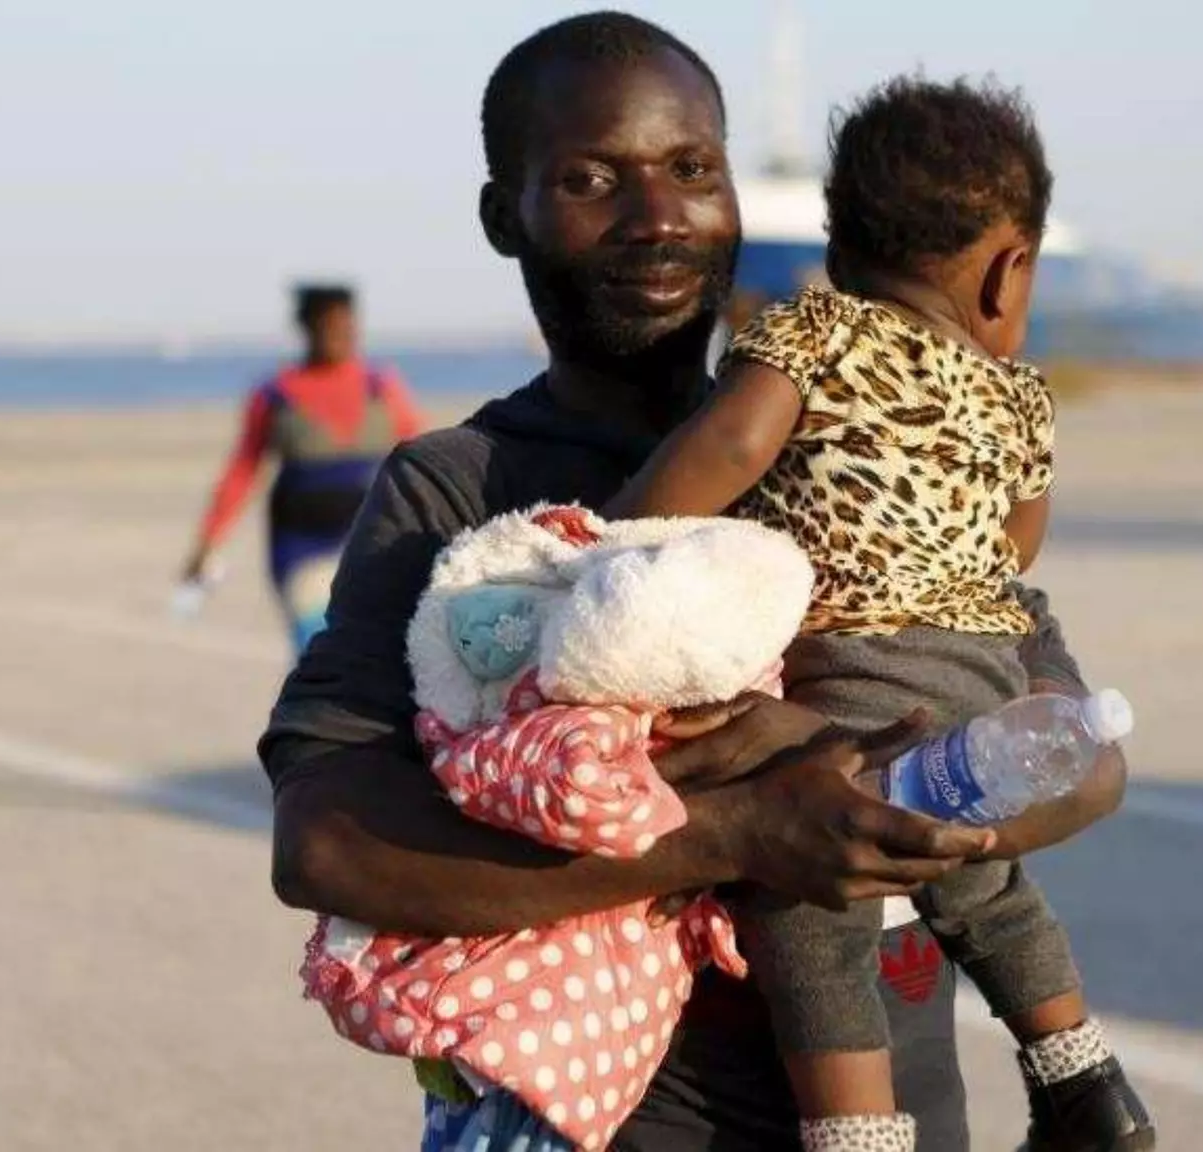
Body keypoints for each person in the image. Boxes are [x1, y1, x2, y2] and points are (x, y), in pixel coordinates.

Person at [259, 13, 1127, 1151]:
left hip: (920, 1108)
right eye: (588, 179)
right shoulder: (465, 493)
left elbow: (1087, 759)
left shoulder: (865, 452)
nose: (658, 214)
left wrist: (905, 794)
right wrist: (731, 833)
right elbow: (324, 842)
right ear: (500, 218)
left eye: (690, 170)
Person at [603, 75, 1155, 1152]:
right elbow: (1016, 547)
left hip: (856, 675)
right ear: (1008, 272)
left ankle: (856, 1133)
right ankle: (1082, 1080)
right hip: (983, 672)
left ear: (836, 237)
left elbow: (725, 451)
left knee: (809, 909)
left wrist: (617, 534)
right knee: (986, 884)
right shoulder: (1019, 396)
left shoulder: (812, 332)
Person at [181, 284, 426, 652]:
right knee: (319, 650)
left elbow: (421, 461)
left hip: (374, 543)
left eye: (347, 326)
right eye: (329, 326)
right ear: (306, 328)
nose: (340, 336)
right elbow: (243, 471)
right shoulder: (275, 394)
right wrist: (208, 543)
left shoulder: (381, 387)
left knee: (380, 655)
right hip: (300, 547)